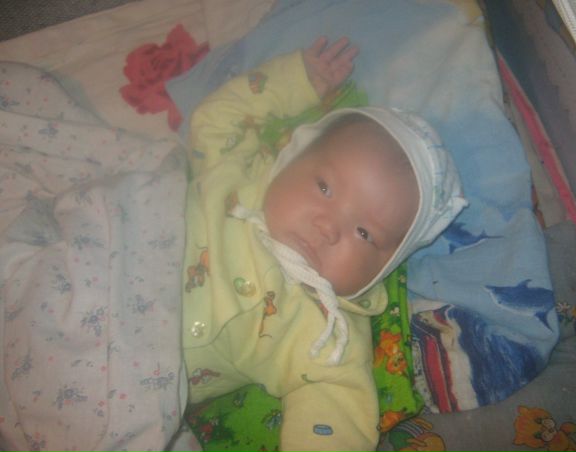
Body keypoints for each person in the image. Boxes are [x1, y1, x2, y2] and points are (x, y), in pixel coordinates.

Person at [182, 36, 467, 451]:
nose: (328, 226)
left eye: (365, 233)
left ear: (382, 270)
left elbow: (335, 411)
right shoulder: (235, 175)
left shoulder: (328, 334)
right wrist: (294, 81)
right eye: (324, 187)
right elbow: (217, 119)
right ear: (290, 157)